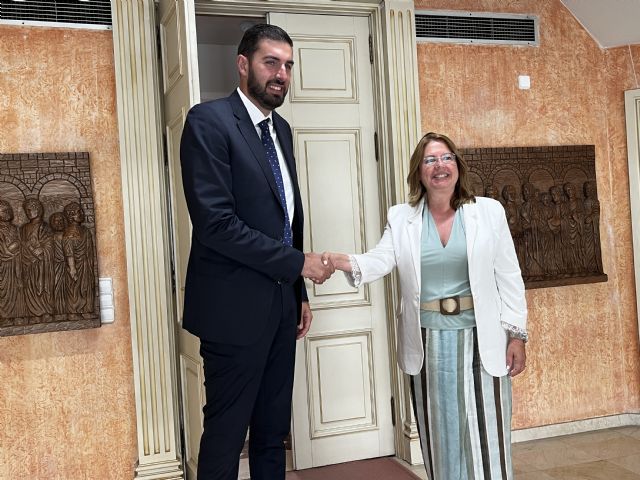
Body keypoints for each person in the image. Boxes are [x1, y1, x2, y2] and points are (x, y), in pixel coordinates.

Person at [324, 132, 528, 480]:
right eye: (430, 160)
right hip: (429, 343)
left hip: (483, 338)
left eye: (446, 158)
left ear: (458, 167)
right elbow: (381, 259)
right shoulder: (402, 218)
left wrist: (517, 335)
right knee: (440, 436)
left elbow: (509, 275)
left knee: (487, 433)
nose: (439, 166)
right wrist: (341, 261)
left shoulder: (488, 212)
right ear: (419, 172)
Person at [179, 24, 333, 480]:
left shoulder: (281, 130)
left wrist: (299, 291)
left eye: (288, 65)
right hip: (232, 313)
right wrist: (298, 264)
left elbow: (286, 221)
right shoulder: (208, 121)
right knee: (226, 437)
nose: (281, 74)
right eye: (271, 62)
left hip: (282, 308)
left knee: (272, 433)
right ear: (243, 64)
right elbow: (216, 224)